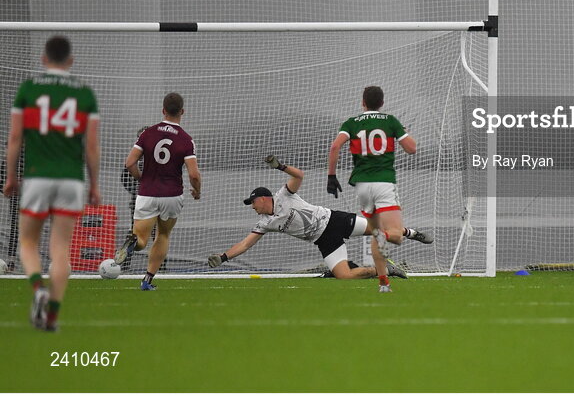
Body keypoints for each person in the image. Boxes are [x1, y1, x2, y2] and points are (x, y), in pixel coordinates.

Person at [3, 36, 100, 331]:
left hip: (36, 177)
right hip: (71, 180)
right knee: (61, 249)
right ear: (70, 61)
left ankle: (37, 289)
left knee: (28, 242)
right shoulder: (85, 94)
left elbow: (15, 139)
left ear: (44, 59)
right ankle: (52, 318)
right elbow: (92, 146)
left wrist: (9, 177)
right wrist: (94, 185)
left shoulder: (29, 90)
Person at [207, 155, 410, 284]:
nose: (252, 207)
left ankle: (411, 233)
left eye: (252, 202)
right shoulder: (264, 223)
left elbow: (299, 176)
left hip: (333, 220)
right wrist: (223, 257)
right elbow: (245, 244)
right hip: (324, 240)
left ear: (262, 198)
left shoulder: (283, 196)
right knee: (344, 276)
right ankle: (384, 269)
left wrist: (280, 166)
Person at [328, 86, 432, 292]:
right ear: (382, 103)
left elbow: (334, 147)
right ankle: (409, 232)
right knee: (395, 236)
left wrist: (331, 176)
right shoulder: (391, 121)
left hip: (362, 186)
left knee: (377, 234)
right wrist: (403, 132)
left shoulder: (351, 123)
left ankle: (384, 283)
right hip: (383, 183)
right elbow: (412, 149)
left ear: (363, 102)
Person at [114, 93, 201, 290]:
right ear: (182, 112)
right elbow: (194, 175)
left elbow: (129, 163)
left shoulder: (147, 134)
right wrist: (197, 191)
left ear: (163, 110)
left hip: (146, 194)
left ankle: (132, 242)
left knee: (142, 239)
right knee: (162, 235)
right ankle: (147, 280)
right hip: (172, 195)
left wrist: (140, 178)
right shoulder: (186, 140)